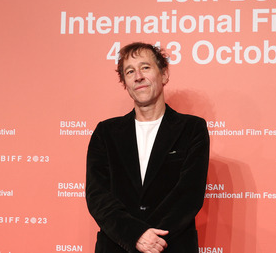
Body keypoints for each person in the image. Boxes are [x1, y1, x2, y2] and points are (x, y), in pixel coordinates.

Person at [86, 42, 210, 253]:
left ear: (163, 74)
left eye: (145, 67)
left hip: (170, 246)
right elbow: (98, 196)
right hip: (117, 246)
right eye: (130, 71)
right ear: (125, 82)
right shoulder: (105, 133)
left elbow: (189, 194)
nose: (138, 76)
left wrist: (149, 237)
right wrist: (135, 235)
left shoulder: (192, 129)